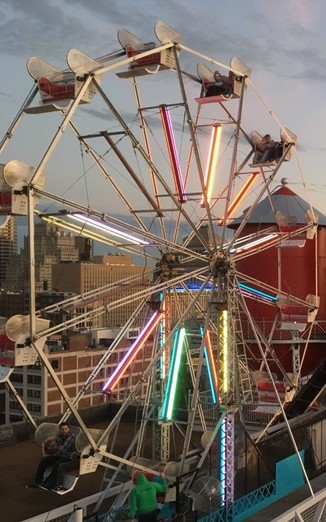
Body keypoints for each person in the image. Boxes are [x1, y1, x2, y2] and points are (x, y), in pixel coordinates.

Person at [28, 422, 80, 492]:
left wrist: (56, 447)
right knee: (44, 460)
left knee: (58, 464)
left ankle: (50, 483)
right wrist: (57, 448)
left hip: (67, 457)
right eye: (62, 429)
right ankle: (38, 481)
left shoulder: (72, 437)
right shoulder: (59, 435)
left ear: (68, 429)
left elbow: (62, 449)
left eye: (65, 429)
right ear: (60, 430)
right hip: (59, 455)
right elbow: (50, 447)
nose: (64, 431)